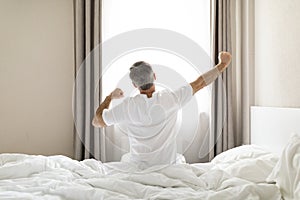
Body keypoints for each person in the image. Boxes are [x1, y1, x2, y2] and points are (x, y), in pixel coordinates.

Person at [92, 51, 232, 169]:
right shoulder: (171, 98)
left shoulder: (127, 106)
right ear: (154, 77)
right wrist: (222, 65)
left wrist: (110, 97)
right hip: (167, 167)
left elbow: (97, 121)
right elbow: (200, 82)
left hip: (138, 169)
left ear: (135, 85)